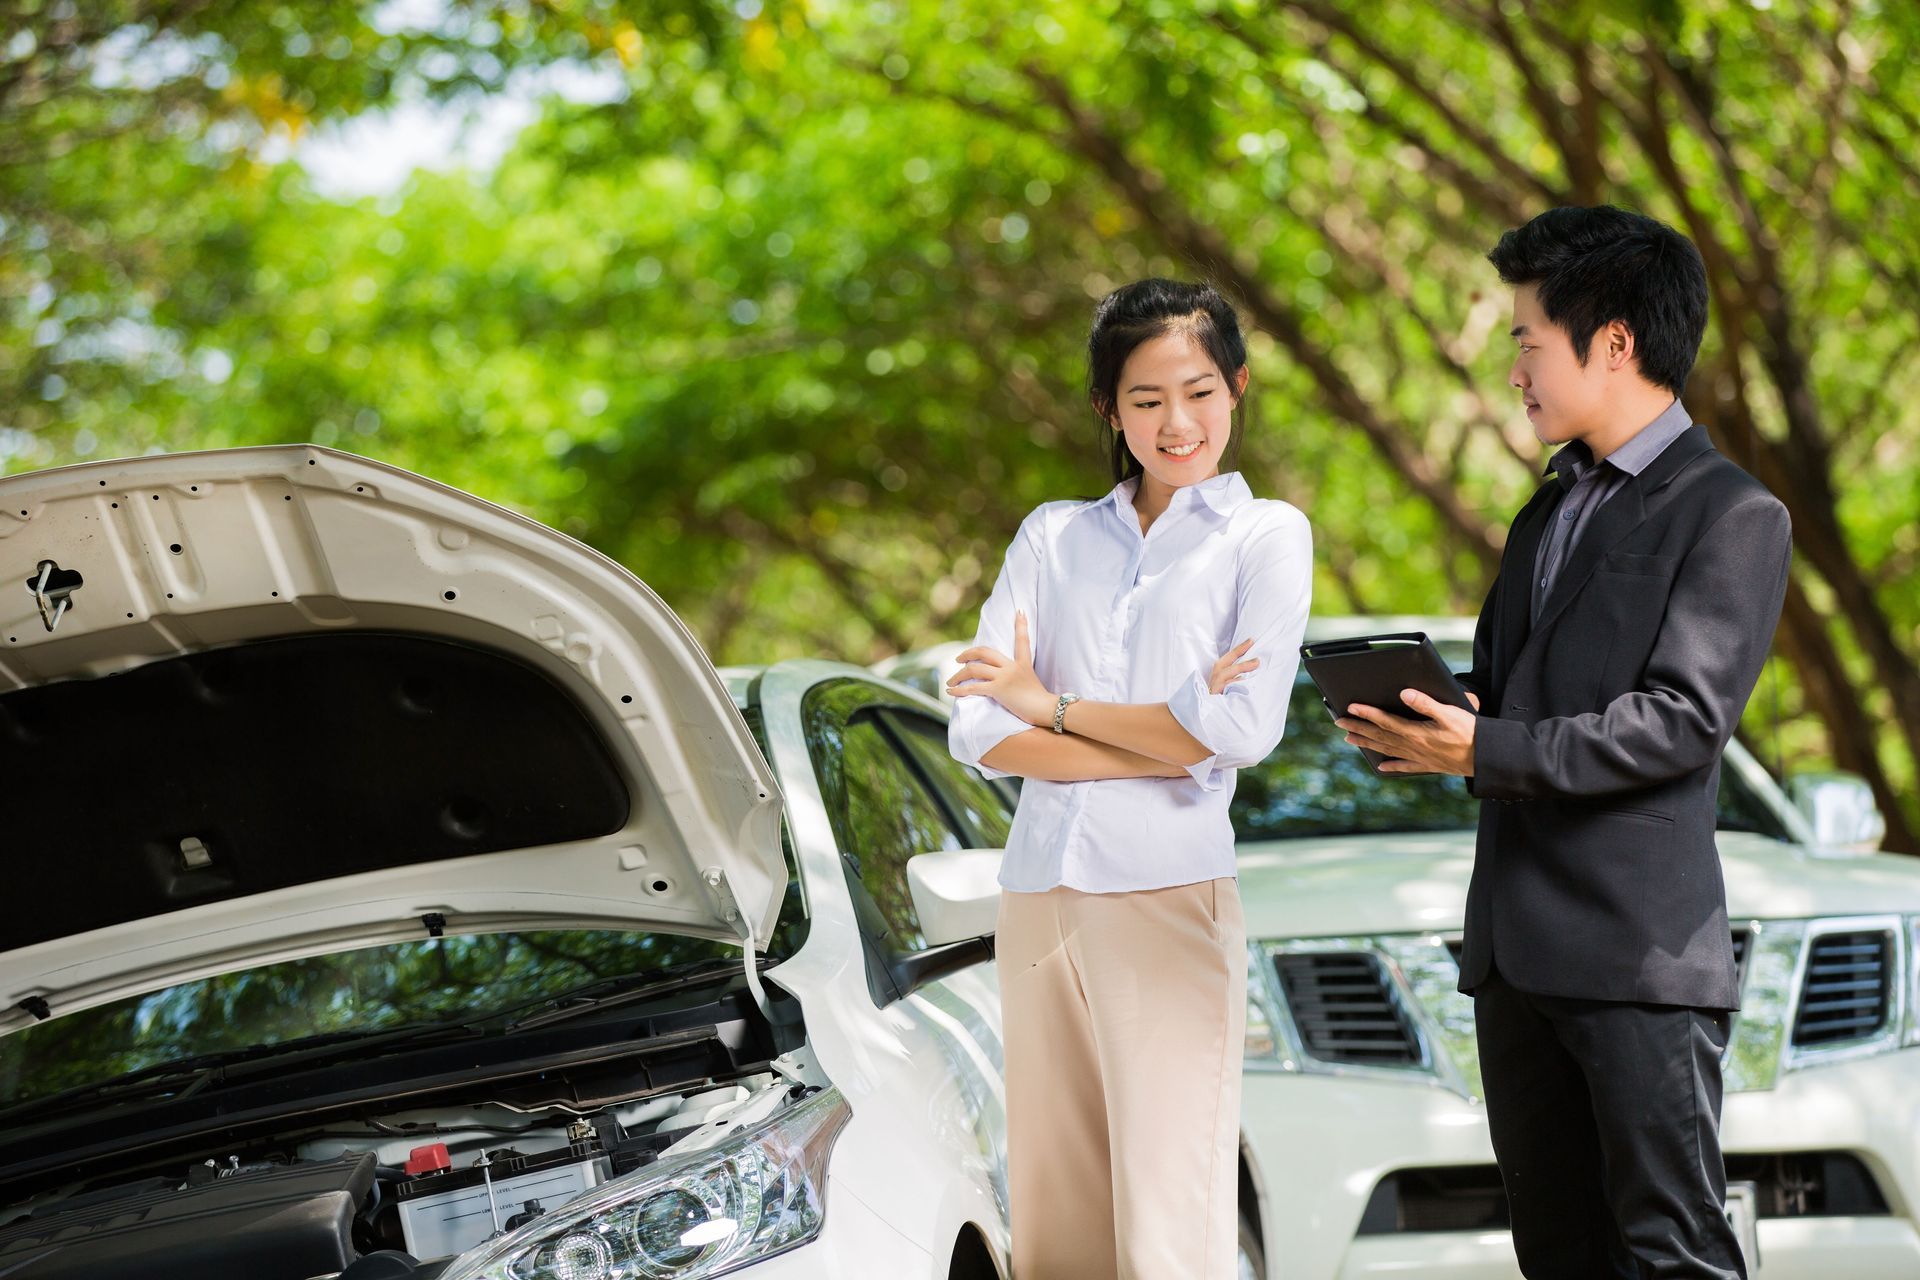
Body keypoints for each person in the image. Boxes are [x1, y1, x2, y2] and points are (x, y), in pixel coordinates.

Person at [1336, 205, 1791, 1278]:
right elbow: (1516, 690)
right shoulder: (1546, 511)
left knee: (1671, 1249)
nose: (1516, 372)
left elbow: (1680, 723)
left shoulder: (1730, 512)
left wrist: (1484, 750)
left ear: (1616, 341)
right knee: (1558, 1253)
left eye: (1528, 342)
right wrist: (1422, 717)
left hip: (1637, 956)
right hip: (1515, 953)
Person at [945, 277, 1312, 1280]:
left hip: (1167, 894)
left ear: (1236, 389)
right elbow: (977, 723)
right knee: (1058, 1221)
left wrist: (1052, 705)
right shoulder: (1051, 537)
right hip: (1037, 897)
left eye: (1198, 392)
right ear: (1110, 409)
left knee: (1169, 1222)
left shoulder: (1264, 535)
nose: (1177, 422)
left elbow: (1239, 728)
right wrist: (1166, 731)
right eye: (1146, 400)